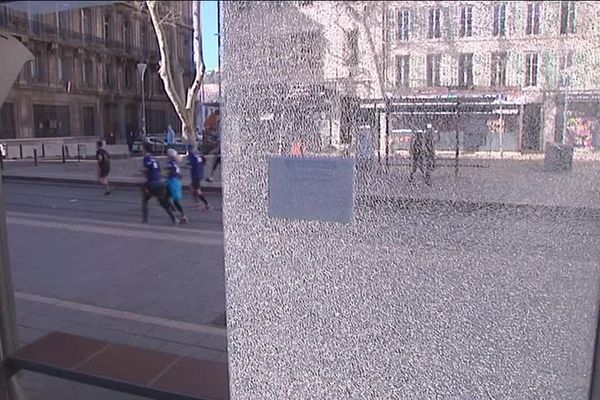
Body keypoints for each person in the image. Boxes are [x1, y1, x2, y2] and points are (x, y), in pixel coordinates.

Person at [141, 151, 177, 225]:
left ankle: (145, 219)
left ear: (144, 149)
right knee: (163, 202)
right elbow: (159, 171)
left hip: (152, 184)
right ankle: (173, 216)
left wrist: (144, 176)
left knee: (145, 201)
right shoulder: (155, 159)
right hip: (160, 182)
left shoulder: (146, 158)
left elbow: (146, 171)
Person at [165, 148, 188, 224]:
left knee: (170, 199)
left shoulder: (170, 163)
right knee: (172, 199)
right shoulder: (176, 163)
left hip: (172, 182)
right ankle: (179, 214)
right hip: (177, 181)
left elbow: (169, 173)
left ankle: (179, 215)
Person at [187, 145, 212, 210]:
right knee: (192, 188)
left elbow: (190, 164)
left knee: (197, 190)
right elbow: (204, 160)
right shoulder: (198, 156)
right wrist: (201, 167)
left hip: (196, 175)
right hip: (200, 174)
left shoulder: (192, 156)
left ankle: (205, 204)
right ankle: (199, 203)